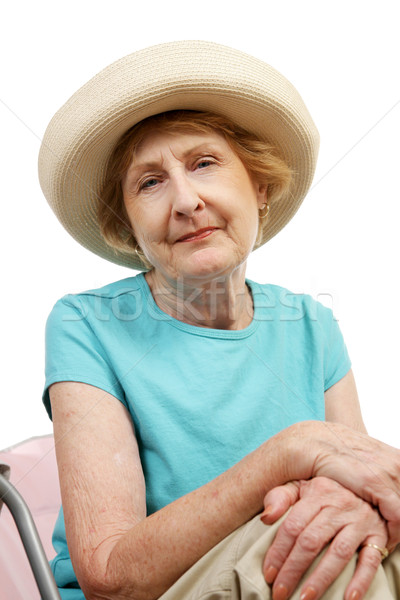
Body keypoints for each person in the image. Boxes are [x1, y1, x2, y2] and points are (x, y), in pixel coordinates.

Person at [39, 41, 400, 600]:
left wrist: (374, 515)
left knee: (351, 544)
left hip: (284, 566)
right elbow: (110, 574)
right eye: (150, 182)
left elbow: (360, 486)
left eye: (204, 163)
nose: (185, 201)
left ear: (258, 188)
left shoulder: (310, 322)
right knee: (322, 556)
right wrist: (290, 450)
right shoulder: (85, 324)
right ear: (127, 228)